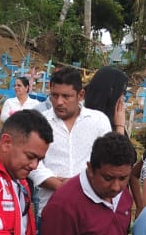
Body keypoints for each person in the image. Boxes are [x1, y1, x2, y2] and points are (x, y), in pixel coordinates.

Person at [41, 131, 136, 235]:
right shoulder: (63, 204)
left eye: (123, 178)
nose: (116, 187)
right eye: (108, 178)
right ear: (91, 169)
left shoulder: (124, 195)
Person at [30, 65, 111, 215]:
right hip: (52, 208)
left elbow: (107, 160)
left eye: (66, 96)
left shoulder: (99, 121)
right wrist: (62, 186)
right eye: (54, 96)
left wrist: (81, 184)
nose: (59, 102)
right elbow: (32, 163)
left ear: (81, 95)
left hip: (90, 208)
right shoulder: (39, 122)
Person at [84, 67, 129, 134]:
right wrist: (120, 126)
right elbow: (116, 141)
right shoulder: (89, 123)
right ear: (110, 91)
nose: (123, 98)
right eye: (122, 92)